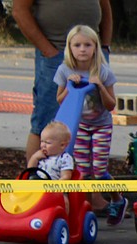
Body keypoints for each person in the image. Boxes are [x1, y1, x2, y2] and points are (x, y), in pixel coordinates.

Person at [13, 0, 112, 161]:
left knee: (92, 121)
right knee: (45, 121)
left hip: (93, 61)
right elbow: (19, 11)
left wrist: (105, 47)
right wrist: (48, 51)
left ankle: (79, 175)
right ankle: (35, 176)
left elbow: (105, 8)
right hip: (56, 56)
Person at [55, 25, 126, 224]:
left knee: (100, 170)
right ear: (70, 47)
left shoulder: (103, 71)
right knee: (84, 171)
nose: (82, 49)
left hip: (101, 125)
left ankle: (117, 199)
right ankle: (85, 211)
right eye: (77, 45)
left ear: (95, 47)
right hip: (80, 125)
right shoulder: (64, 70)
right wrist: (70, 86)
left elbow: (111, 105)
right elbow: (60, 100)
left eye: (87, 44)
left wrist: (99, 85)